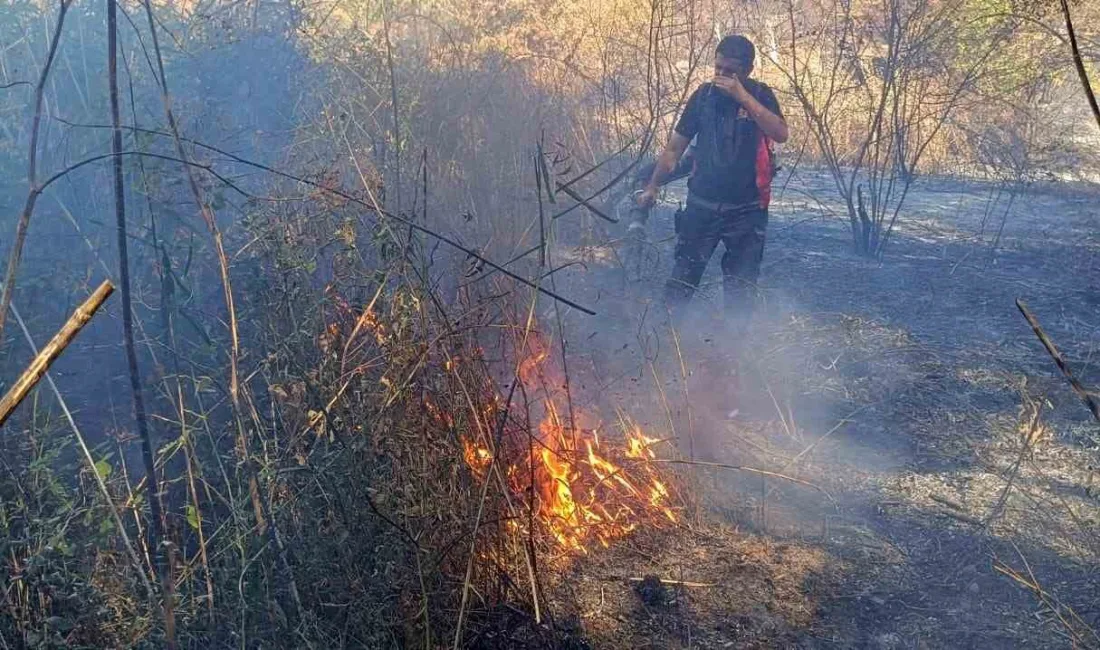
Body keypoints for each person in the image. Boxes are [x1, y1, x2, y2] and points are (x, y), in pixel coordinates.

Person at [637, 34, 788, 331]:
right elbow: (673, 148)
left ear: (748, 71)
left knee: (741, 292)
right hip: (701, 207)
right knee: (681, 281)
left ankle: (732, 360)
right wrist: (653, 186)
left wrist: (743, 97)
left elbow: (781, 133)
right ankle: (662, 346)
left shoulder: (761, 94)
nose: (721, 76)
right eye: (718, 68)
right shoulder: (703, 96)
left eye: (730, 71)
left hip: (747, 211)